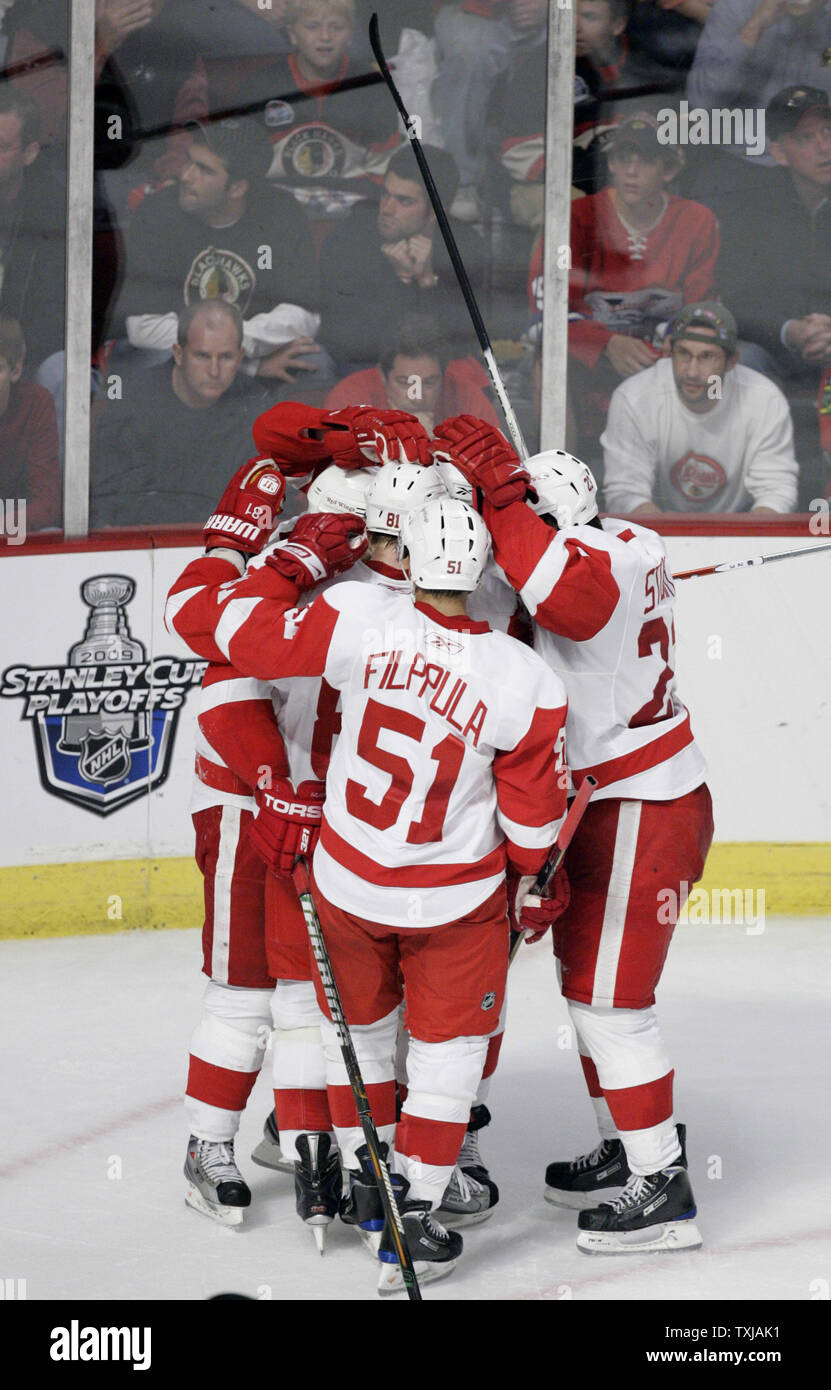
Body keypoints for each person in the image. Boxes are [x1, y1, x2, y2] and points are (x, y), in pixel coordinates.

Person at [166, 477, 571, 1291]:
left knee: (353, 1032)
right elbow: (531, 824)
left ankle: (363, 1170)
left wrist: (277, 561)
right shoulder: (522, 673)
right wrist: (534, 877)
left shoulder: (354, 615)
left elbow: (230, 635)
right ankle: (410, 1208)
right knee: (445, 1051)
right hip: (450, 892)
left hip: (343, 870)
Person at [435, 414, 713, 1254]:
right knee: (580, 989)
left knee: (607, 1004)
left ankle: (660, 1184)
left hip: (639, 804)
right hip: (602, 804)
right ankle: (625, 1146)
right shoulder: (627, 540)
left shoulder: (591, 570)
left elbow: (569, 597)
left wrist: (507, 496)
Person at [110, 117, 322, 387]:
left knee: (315, 362)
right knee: (147, 361)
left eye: (204, 170)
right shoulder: (157, 213)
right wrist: (248, 365)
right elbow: (143, 327)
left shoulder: (281, 212)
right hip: (179, 355)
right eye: (189, 160)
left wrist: (231, 352)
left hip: (243, 347)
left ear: (237, 188)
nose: (186, 176)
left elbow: (305, 314)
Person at [566, 112, 718, 450]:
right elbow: (548, 312)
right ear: (613, 164)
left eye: (646, 160)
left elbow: (701, 307)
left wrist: (667, 347)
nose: (631, 171)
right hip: (593, 355)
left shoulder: (697, 220)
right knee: (546, 362)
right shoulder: (577, 216)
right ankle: (561, 477)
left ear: (669, 169)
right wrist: (607, 345)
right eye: (623, 158)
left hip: (665, 355)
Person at [601, 302, 799, 513]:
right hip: (658, 536)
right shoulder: (635, 397)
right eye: (684, 353)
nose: (692, 372)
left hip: (742, 536)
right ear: (669, 352)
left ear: (732, 361)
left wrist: (743, 542)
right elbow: (626, 494)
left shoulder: (764, 399)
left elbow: (777, 493)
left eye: (707, 357)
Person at [90, 301, 270, 527]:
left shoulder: (256, 405)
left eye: (225, 357)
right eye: (202, 356)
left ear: (241, 357)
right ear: (178, 353)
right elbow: (112, 504)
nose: (214, 371)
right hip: (146, 548)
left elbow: (268, 500)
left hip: (226, 545)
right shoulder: (133, 406)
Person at [321, 142, 486, 370]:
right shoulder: (349, 238)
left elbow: (464, 342)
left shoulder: (465, 247)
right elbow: (349, 343)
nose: (387, 209)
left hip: (438, 377)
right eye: (385, 195)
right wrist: (401, 279)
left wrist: (427, 281)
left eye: (404, 201)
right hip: (360, 371)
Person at [243, 0, 402, 221]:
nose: (325, 37)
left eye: (336, 27)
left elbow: (383, 162)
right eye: (313, 27)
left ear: (350, 35)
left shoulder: (370, 85)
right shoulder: (263, 84)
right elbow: (243, 158)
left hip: (351, 196)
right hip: (277, 194)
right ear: (292, 34)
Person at [717, 86, 831, 385]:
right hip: (777, 348)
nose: (824, 146)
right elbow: (737, 299)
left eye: (828, 131)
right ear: (780, 152)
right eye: (806, 138)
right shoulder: (750, 207)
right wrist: (790, 330)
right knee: (740, 363)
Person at [432, 0, 549, 221]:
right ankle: (462, 180)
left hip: (547, 18)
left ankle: (541, 173)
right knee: (470, 52)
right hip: (471, 11)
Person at [324, 313, 499, 432]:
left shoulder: (467, 396)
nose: (417, 397)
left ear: (445, 375)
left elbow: (496, 462)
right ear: (383, 376)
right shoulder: (349, 399)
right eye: (404, 382)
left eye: (430, 382)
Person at [0, 88, 66, 377]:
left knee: (60, 371)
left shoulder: (54, 212)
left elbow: (53, 313)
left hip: (23, 356)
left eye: (1, 146)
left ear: (30, 153)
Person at [0, 315, 60, 533]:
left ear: (16, 370)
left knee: (51, 534)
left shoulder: (36, 403)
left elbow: (47, 504)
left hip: (15, 523)